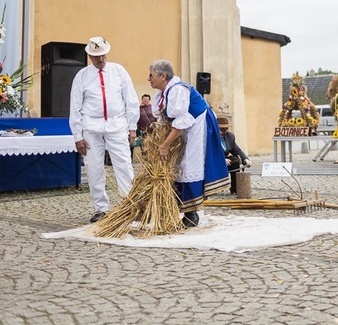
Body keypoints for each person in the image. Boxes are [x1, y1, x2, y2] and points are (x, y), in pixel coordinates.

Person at [148, 60, 230, 227]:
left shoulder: (177, 90)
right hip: (187, 127)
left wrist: (165, 145)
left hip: (198, 126)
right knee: (179, 165)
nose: (149, 79)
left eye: (151, 75)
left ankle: (191, 213)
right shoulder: (164, 93)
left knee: (189, 165)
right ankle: (179, 209)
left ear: (163, 76)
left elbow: (182, 121)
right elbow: (166, 119)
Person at [70, 37, 139, 222]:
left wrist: (132, 127)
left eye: (102, 55)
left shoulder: (119, 71)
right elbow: (75, 107)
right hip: (91, 127)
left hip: (116, 124)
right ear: (89, 56)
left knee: (123, 163)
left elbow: (130, 99)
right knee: (93, 167)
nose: (101, 59)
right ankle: (101, 208)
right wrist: (77, 136)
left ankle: (129, 203)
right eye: (96, 56)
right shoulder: (82, 76)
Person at [217, 116, 251, 195]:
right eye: (222, 129)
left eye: (226, 129)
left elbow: (237, 150)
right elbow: (209, 154)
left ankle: (235, 188)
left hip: (226, 160)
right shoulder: (211, 137)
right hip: (214, 161)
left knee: (235, 160)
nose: (225, 131)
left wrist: (246, 160)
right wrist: (222, 160)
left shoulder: (230, 136)